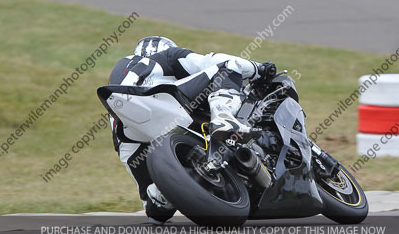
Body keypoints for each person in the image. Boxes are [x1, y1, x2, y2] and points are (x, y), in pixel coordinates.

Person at [102, 36, 275, 224]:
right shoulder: (166, 56)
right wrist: (259, 69)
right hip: (159, 99)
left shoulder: (123, 69)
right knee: (229, 67)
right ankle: (223, 116)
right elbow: (210, 60)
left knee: (157, 211)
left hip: (127, 136)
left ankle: (162, 194)